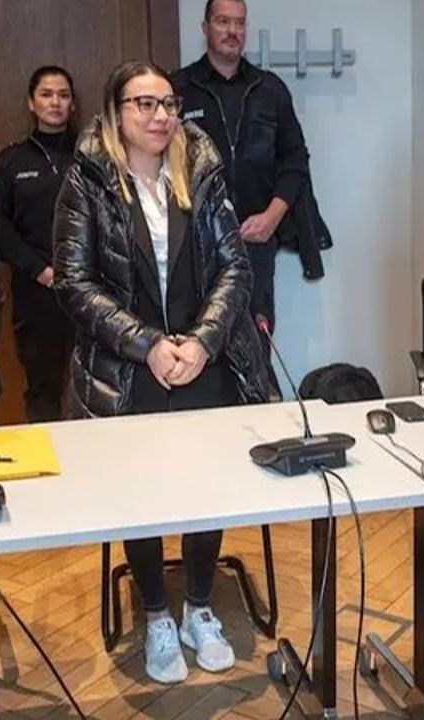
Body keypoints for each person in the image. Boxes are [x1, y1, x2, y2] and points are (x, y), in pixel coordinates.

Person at [52, 60, 271, 684]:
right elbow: (73, 281)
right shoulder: (88, 180)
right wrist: (148, 344)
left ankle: (200, 605)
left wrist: (202, 342)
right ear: (116, 111)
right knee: (139, 495)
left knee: (207, 489)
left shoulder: (200, 170)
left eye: (169, 104)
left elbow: (236, 268)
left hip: (202, 360)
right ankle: (155, 612)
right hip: (128, 368)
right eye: (144, 104)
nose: (160, 116)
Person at [172, 0, 331, 337]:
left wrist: (271, 218)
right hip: (195, 243)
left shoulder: (270, 89)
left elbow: (295, 159)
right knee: (200, 340)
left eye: (240, 23)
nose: (233, 31)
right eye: (223, 22)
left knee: (256, 340)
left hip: (255, 238)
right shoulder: (179, 89)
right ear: (205, 28)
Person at [0, 65, 79, 422]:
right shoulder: (11, 160)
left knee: (95, 383)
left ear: (73, 104)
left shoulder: (91, 155)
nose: (55, 102)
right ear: (31, 102)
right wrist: (39, 270)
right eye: (46, 94)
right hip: (36, 292)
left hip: (90, 288)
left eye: (63, 95)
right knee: (43, 387)